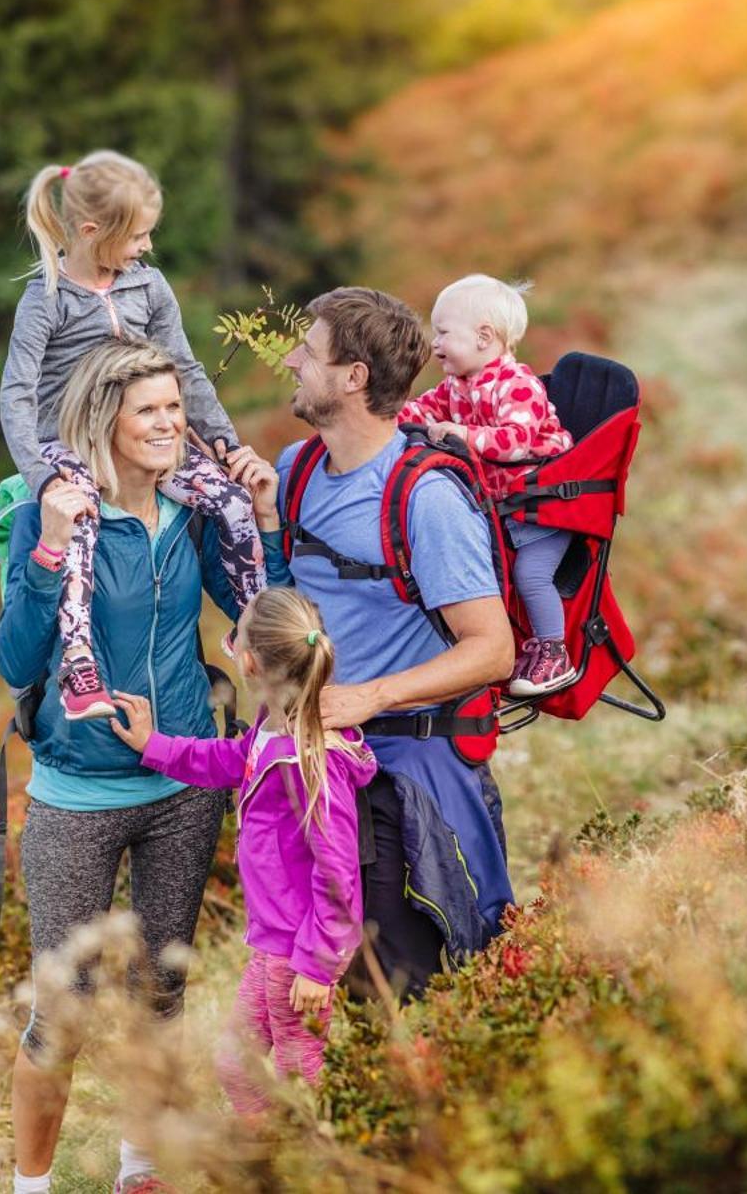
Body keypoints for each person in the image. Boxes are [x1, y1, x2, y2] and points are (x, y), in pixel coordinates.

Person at [0, 338, 288, 1194]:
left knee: (163, 994)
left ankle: (142, 1172)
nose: (171, 425)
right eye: (150, 411)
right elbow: (15, 660)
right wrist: (47, 547)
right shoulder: (47, 512)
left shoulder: (199, 508)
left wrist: (262, 517)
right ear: (104, 422)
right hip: (77, 791)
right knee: (65, 1012)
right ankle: (32, 1187)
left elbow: (265, 615)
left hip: (181, 784)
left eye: (175, 408)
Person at [226, 286, 518, 999]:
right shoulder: (295, 472)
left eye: (311, 350)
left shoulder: (426, 497)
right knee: (331, 988)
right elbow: (298, 597)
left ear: (354, 377)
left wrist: (368, 696)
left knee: (409, 988)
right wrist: (267, 524)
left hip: (409, 778)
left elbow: (493, 649)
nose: (293, 359)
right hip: (319, 775)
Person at [0, 150, 265, 722]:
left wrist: (225, 443)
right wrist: (42, 478)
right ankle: (78, 666)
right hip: (68, 444)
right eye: (138, 236)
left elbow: (187, 370)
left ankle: (259, 626)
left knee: (232, 503)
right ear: (93, 232)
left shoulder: (148, 285)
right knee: (81, 528)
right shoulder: (46, 298)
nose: (146, 247)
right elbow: (16, 393)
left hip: (146, 433)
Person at [108, 587, 376, 1112]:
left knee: (294, 1078)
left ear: (249, 662)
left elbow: (338, 871)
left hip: (298, 953)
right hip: (272, 945)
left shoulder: (305, 759)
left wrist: (318, 965)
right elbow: (230, 760)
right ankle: (269, 1163)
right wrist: (154, 746)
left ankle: (294, 1165)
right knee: (238, 1065)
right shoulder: (270, 733)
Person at [399, 274, 576, 696]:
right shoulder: (457, 387)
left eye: (442, 333)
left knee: (531, 574)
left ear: (483, 337)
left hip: (544, 508)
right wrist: (383, 416)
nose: (434, 343)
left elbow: (517, 442)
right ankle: (486, 654)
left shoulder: (518, 385)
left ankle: (555, 650)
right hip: (504, 509)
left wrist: (462, 435)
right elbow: (419, 411)